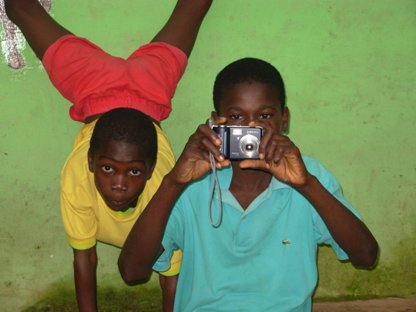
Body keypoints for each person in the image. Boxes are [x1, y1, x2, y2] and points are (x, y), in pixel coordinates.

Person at [118, 57, 379, 311]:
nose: (252, 129)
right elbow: (132, 272)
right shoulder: (193, 181)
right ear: (215, 122)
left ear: (284, 120)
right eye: (236, 117)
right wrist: (173, 183)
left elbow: (365, 256)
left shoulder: (309, 175)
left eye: (265, 116)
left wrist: (306, 185)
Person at [4, 0, 213, 311]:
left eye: (133, 172)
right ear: (90, 163)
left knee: (19, 7)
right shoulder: (77, 178)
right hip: (149, 85)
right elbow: (84, 258)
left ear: (151, 167)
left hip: (92, 84)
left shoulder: (166, 190)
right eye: (106, 168)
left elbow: (171, 275)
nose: (119, 185)